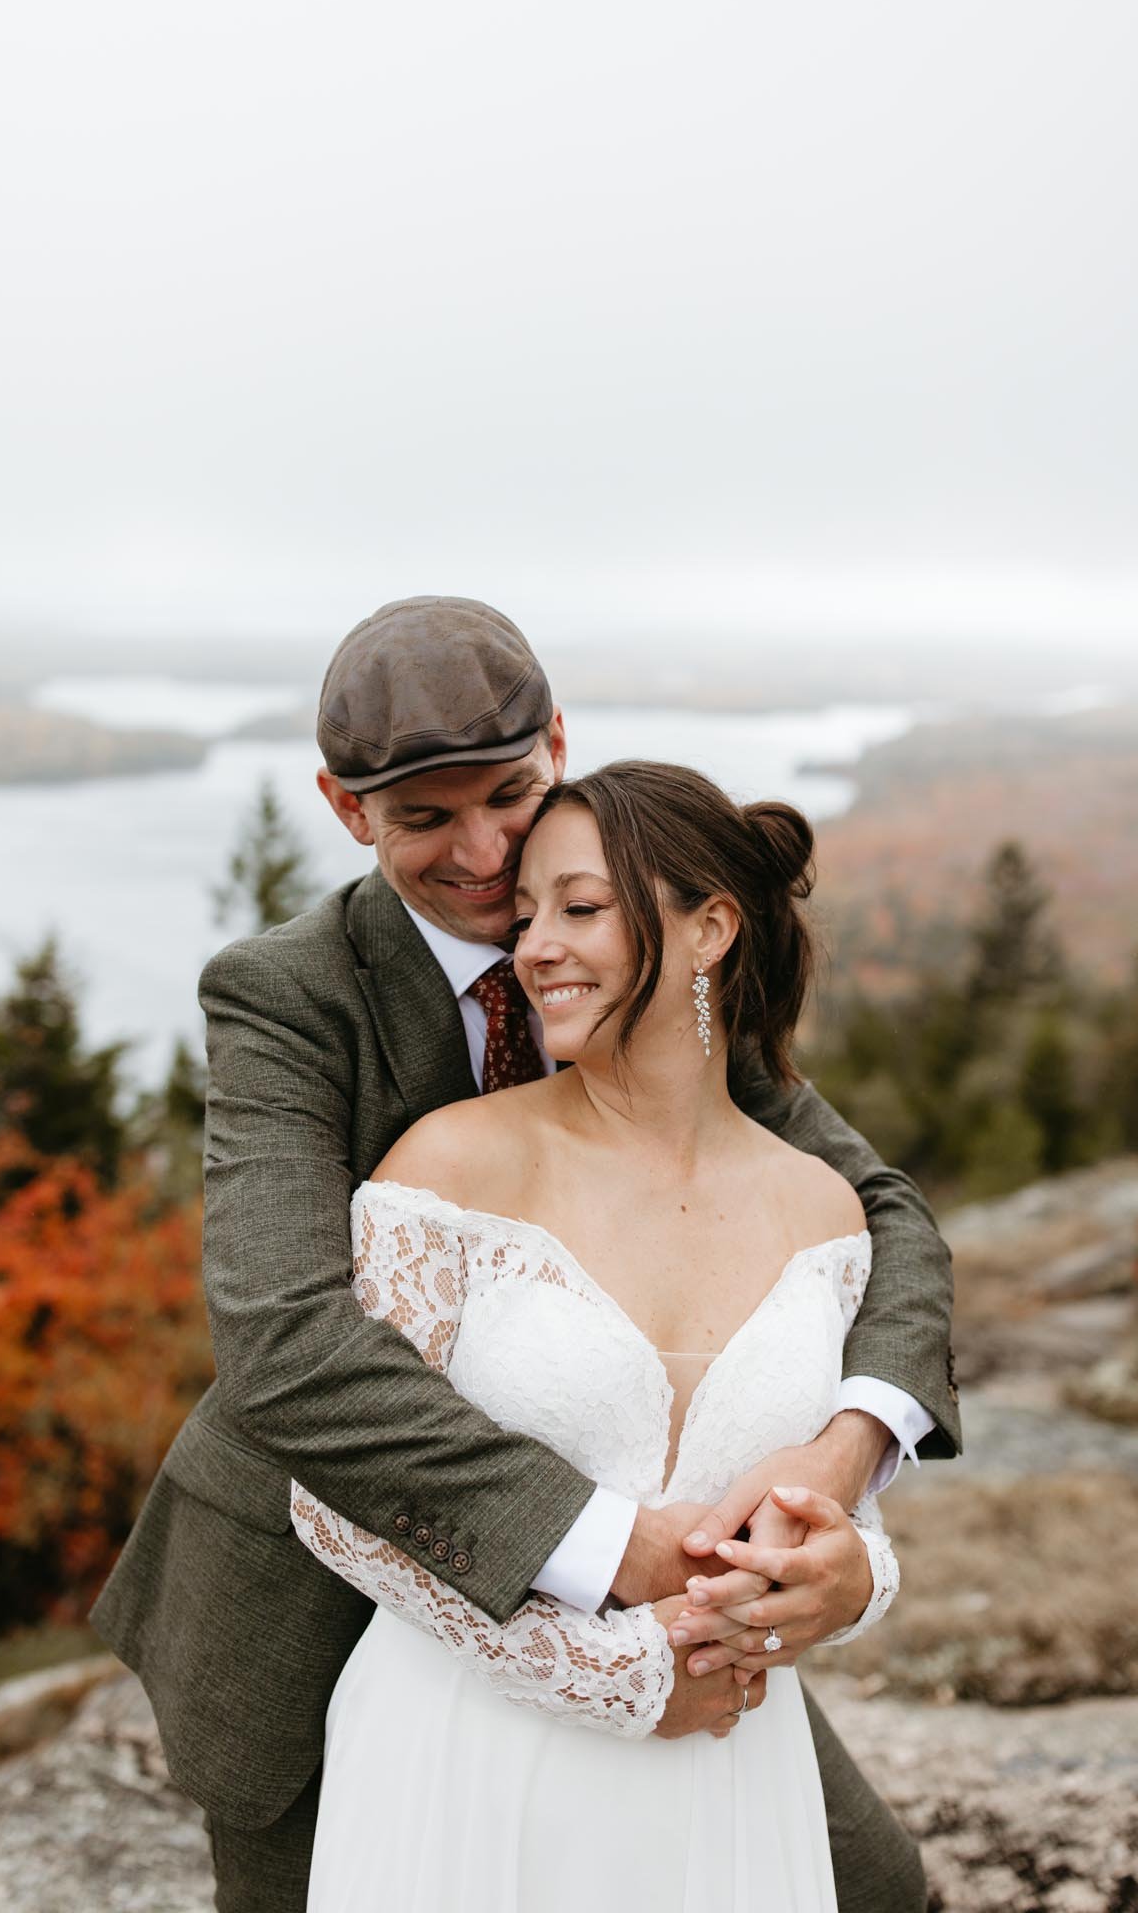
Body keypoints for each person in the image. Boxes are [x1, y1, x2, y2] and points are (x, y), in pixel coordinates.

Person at [91, 596, 960, 1913]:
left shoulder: (643, 960)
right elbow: (286, 1348)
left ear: (557, 742)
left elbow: (881, 1212)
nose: (490, 854)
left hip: (648, 1560)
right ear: (345, 810)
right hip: (318, 1573)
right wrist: (611, 1547)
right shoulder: (285, 994)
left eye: (510, 794)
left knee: (873, 1889)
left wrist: (836, 1466)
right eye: (425, 818)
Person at [293, 757, 900, 1910]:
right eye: (526, 916)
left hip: (727, 1777)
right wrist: (600, 1673)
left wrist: (855, 1576)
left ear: (710, 926)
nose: (531, 947)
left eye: (578, 908)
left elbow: (840, 1502)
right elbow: (337, 1495)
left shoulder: (823, 1209)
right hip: (465, 1758)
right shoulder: (452, 1165)